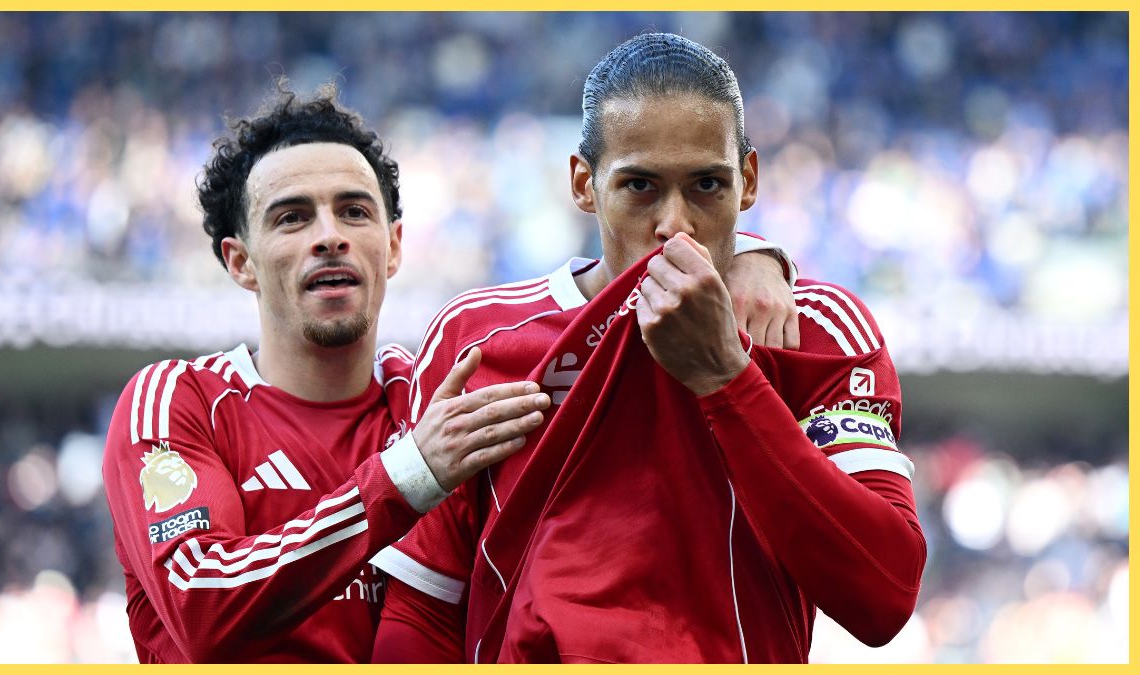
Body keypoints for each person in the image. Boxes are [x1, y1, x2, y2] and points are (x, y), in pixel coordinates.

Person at [371, 33, 926, 663]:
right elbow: (423, 606)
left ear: (747, 181)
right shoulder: (477, 337)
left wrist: (727, 378)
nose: (675, 225)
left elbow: (884, 594)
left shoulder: (814, 330)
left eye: (707, 185)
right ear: (584, 184)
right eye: (640, 186)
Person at [100, 86, 556, 663]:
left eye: (354, 212)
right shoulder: (178, 401)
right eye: (292, 218)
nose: (329, 236)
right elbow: (203, 605)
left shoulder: (433, 403)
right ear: (241, 262)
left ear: (393, 247)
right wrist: (409, 475)